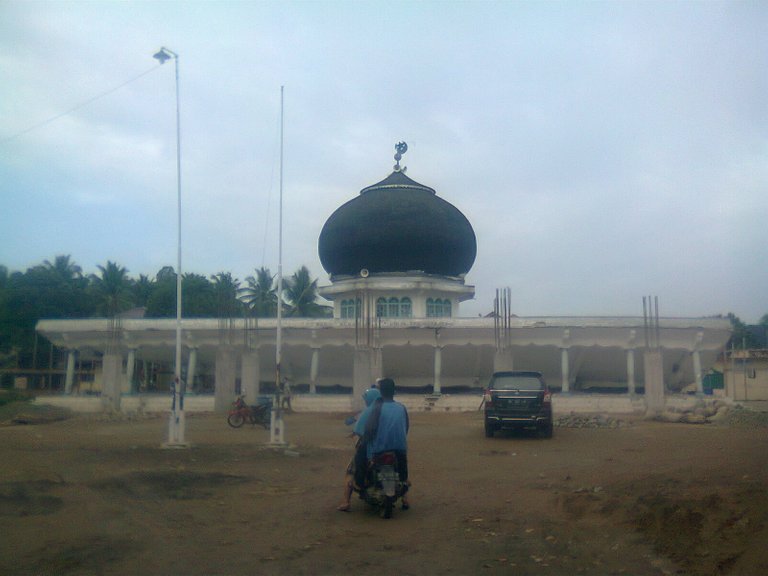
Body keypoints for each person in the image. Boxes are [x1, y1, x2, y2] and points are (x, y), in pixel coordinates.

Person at [363, 377, 410, 509]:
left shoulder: (377, 407)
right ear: (394, 391)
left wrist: (366, 440)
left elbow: (369, 428)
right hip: (399, 448)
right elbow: (406, 427)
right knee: (403, 473)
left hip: (379, 449)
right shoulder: (401, 408)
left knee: (365, 464)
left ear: (380, 392)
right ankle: (405, 498)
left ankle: (363, 486)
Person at [337, 387, 381, 511]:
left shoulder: (367, 411)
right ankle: (405, 498)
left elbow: (356, 428)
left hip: (370, 448)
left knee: (350, 470)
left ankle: (346, 501)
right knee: (400, 469)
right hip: (387, 446)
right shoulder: (386, 409)